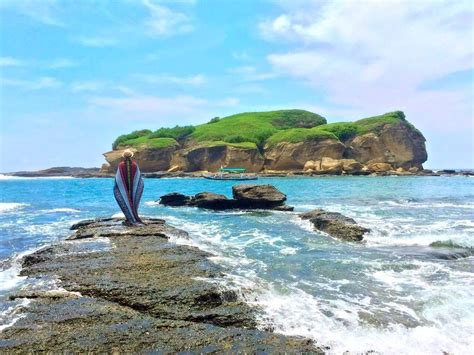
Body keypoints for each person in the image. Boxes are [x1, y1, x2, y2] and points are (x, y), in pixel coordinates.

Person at [113, 149, 144, 225]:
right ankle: (134, 216)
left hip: (123, 187)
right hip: (133, 187)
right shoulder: (134, 165)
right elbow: (138, 177)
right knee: (132, 201)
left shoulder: (121, 165)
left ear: (124, 156)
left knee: (125, 200)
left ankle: (129, 219)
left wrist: (118, 186)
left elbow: (118, 178)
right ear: (131, 156)